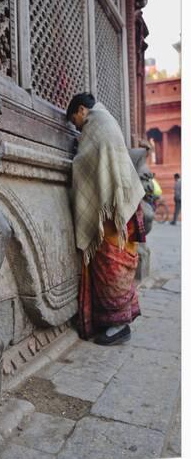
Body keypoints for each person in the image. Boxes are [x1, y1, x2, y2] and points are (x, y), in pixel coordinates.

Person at [67, 93, 146, 346]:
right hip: (123, 206)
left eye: (74, 120)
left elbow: (85, 162)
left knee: (112, 266)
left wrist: (75, 157)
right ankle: (117, 321)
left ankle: (118, 325)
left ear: (81, 110)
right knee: (119, 265)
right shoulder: (107, 120)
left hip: (113, 213)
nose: (76, 127)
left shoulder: (96, 124)